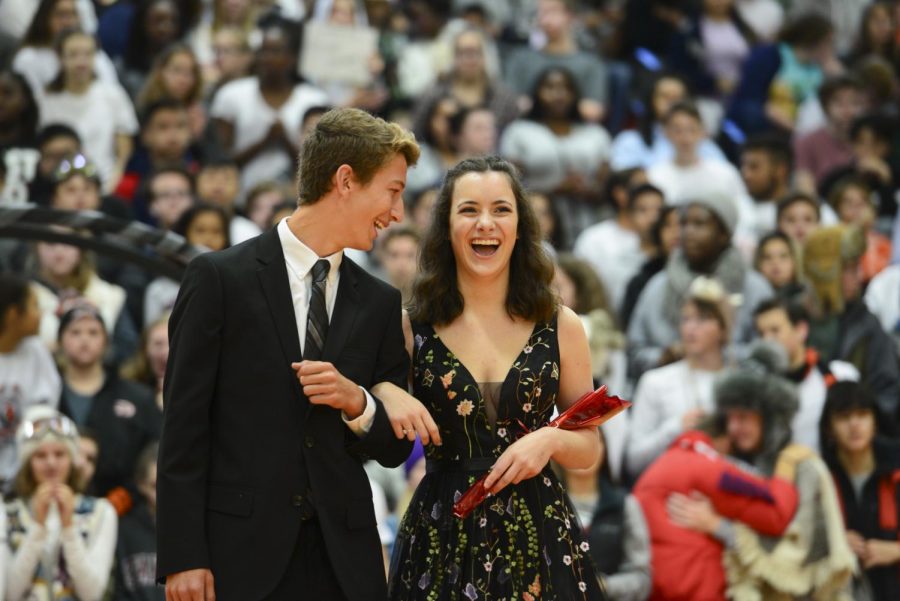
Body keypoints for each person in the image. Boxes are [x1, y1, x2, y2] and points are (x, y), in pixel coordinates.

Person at [156, 107, 419, 601]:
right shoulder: (219, 278)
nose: (398, 213)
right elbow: (183, 428)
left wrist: (358, 404)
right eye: (393, 190)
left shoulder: (381, 301)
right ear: (345, 180)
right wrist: (183, 554)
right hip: (237, 553)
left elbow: (394, 448)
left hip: (343, 560)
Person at [375, 156, 606, 600]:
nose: (486, 223)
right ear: (446, 225)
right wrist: (384, 389)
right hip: (442, 528)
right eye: (468, 210)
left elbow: (588, 448)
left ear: (520, 226)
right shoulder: (410, 326)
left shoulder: (562, 325)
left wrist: (550, 440)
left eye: (501, 209)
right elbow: (384, 435)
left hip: (539, 530)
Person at [627, 192, 773, 379]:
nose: (688, 232)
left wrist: (715, 355)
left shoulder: (754, 287)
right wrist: (663, 357)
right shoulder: (658, 286)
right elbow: (633, 351)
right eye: (684, 224)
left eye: (699, 224)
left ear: (723, 233)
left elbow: (770, 350)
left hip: (738, 391)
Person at [5, 405, 117, 601]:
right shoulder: (7, 513)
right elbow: (9, 593)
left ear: (72, 460)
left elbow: (92, 594)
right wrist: (37, 528)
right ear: (28, 463)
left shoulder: (101, 512)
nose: (51, 463)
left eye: (59, 454)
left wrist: (69, 528)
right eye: (40, 456)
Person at [626, 277, 730, 478]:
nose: (691, 328)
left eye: (702, 318)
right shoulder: (655, 381)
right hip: (668, 487)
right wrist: (675, 428)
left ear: (723, 328)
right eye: (686, 319)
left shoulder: (737, 384)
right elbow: (633, 460)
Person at [56, 304, 161, 498]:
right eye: (75, 332)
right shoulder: (47, 394)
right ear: (60, 341)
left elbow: (155, 452)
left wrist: (126, 498)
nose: (84, 340)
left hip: (125, 508)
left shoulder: (137, 397)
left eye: (93, 332)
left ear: (106, 341)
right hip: (52, 500)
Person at [819, 381, 900, 601]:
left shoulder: (896, 470)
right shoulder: (819, 476)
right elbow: (799, 543)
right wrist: (835, 540)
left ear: (875, 422)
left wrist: (895, 551)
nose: (854, 425)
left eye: (862, 415)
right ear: (829, 427)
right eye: (844, 417)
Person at [753, 298, 859, 452]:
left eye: (775, 330)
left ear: (801, 330)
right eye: (761, 334)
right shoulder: (758, 389)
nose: (767, 340)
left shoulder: (841, 375)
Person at [558, 429, 652, 600]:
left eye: (594, 441)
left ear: (605, 449)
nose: (582, 449)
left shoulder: (625, 505)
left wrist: (602, 585)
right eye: (573, 441)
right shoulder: (548, 505)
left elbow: (642, 578)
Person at [0, 274, 61, 488]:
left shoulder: (36, 352)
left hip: (24, 479)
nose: (41, 314)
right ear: (13, 315)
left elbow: (44, 417)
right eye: (35, 306)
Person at [114, 442, 163, 601]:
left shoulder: (196, 531)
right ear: (141, 485)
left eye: (170, 485)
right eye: (156, 486)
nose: (164, 494)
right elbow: (118, 590)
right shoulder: (124, 530)